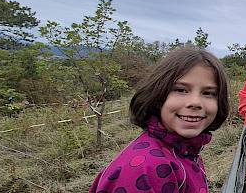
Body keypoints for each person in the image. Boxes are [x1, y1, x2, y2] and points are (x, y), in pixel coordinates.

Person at [89, 47, 230, 193]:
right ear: (158, 95)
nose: (195, 102)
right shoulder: (145, 170)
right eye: (181, 90)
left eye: (208, 93)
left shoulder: (185, 149)